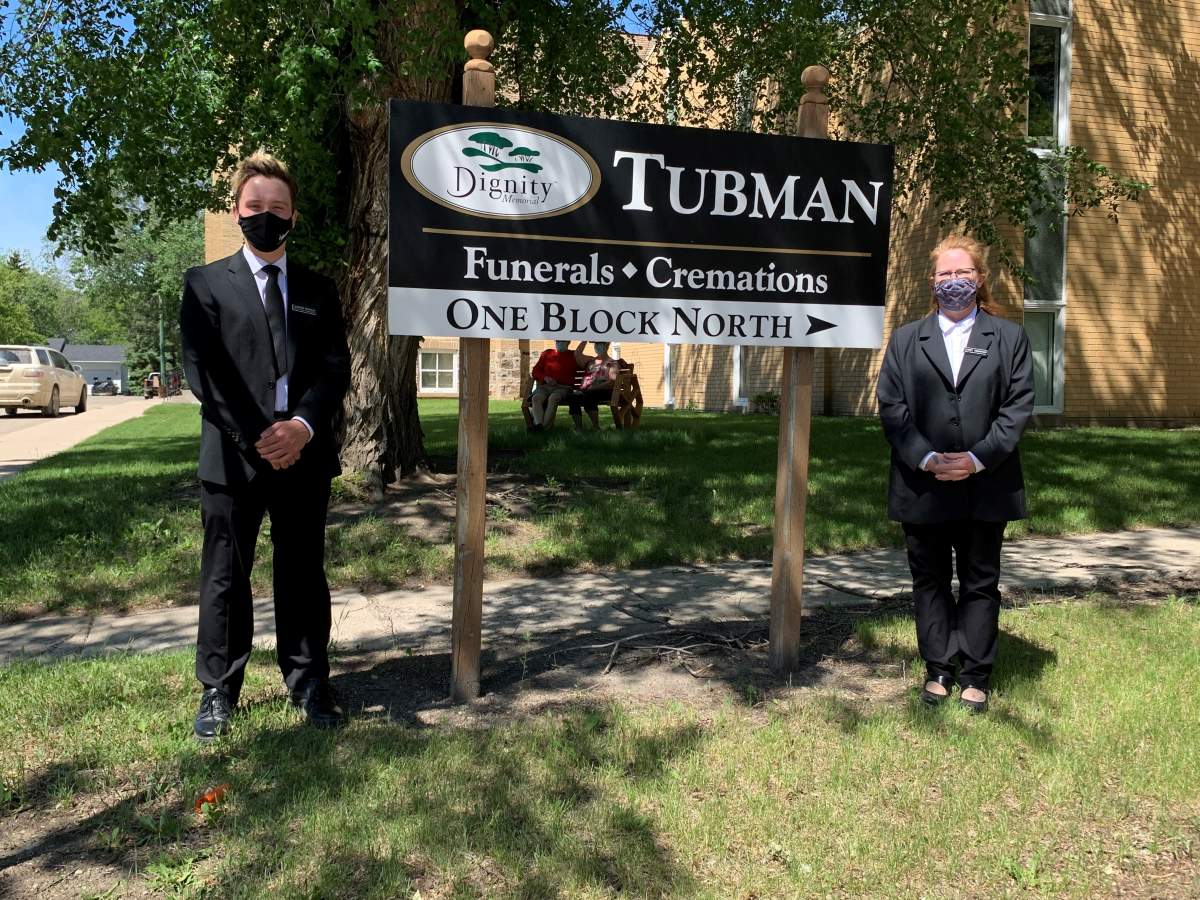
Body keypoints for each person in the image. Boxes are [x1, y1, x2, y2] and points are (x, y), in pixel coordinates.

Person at [180, 151, 351, 740]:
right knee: (225, 576)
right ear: (237, 211)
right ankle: (218, 691)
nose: (266, 217)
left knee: (302, 572)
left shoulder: (318, 291)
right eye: (255, 207)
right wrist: (258, 435)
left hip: (302, 453)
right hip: (233, 455)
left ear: (293, 217)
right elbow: (206, 373)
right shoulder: (204, 285)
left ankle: (308, 682)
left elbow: (334, 368)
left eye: (278, 208)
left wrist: (300, 427)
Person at [876, 234, 1034, 715]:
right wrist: (927, 458)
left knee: (980, 579)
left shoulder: (1008, 338)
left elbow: (1017, 406)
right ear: (932, 282)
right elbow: (892, 407)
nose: (954, 282)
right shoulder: (906, 340)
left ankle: (975, 675)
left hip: (987, 483)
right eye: (945, 274)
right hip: (922, 483)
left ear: (980, 279)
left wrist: (977, 458)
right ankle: (939, 669)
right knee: (929, 580)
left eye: (963, 273)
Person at [568, 340, 622, 431]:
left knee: (590, 396)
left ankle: (596, 426)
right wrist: (585, 338)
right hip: (587, 390)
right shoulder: (590, 361)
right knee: (573, 397)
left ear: (607, 346)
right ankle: (578, 428)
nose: (597, 346)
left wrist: (593, 388)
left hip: (604, 390)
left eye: (600, 344)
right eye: (596, 344)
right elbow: (577, 354)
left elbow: (612, 382)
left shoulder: (612, 363)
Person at [529, 340, 578, 431]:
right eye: (557, 341)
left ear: (568, 343)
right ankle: (539, 425)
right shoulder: (547, 353)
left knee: (553, 398)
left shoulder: (573, 355)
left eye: (562, 341)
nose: (559, 343)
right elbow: (535, 371)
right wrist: (545, 378)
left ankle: (543, 428)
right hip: (545, 386)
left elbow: (586, 364)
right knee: (536, 398)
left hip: (562, 387)